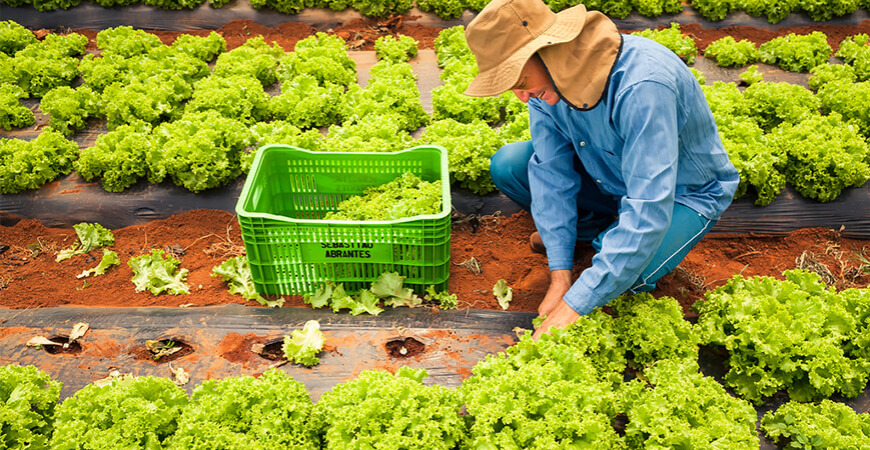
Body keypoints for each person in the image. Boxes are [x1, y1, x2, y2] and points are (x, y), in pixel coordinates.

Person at [463, 0, 740, 339]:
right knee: (510, 166)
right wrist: (560, 274)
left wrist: (574, 305)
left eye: (520, 80)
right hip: (609, 178)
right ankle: (596, 237)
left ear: (547, 50)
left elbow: (649, 205)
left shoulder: (643, 85)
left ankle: (605, 242)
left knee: (631, 274)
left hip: (679, 195)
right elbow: (552, 175)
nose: (522, 97)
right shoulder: (544, 86)